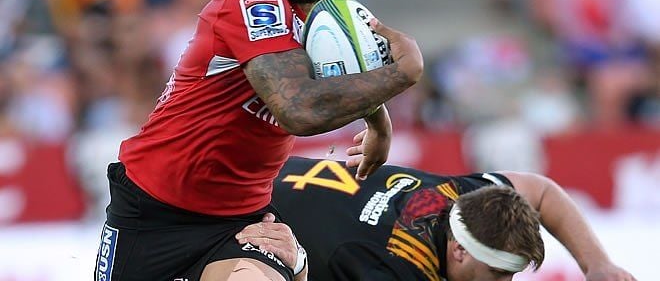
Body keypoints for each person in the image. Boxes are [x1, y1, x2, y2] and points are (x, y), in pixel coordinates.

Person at [94, 0, 424, 281]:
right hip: (155, 208)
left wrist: (378, 122)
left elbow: (348, 73)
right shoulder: (250, 0)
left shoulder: (336, 11)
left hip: (242, 221)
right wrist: (402, 73)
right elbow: (298, 110)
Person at [234, 156, 637, 281]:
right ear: (459, 251)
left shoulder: (461, 197)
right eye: (498, 274)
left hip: (260, 172)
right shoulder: (399, 269)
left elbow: (541, 192)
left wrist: (597, 264)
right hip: (226, 221)